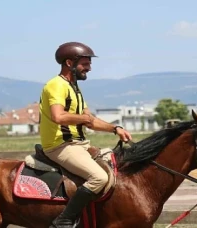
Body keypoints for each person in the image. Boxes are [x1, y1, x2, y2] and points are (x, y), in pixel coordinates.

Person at [38, 41, 133, 228]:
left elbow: (90, 120)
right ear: (68, 63)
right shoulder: (56, 85)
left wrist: (115, 129)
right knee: (100, 177)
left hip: (79, 145)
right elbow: (58, 116)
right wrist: (84, 118)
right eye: (85, 63)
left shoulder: (74, 88)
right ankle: (64, 220)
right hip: (60, 146)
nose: (89, 68)